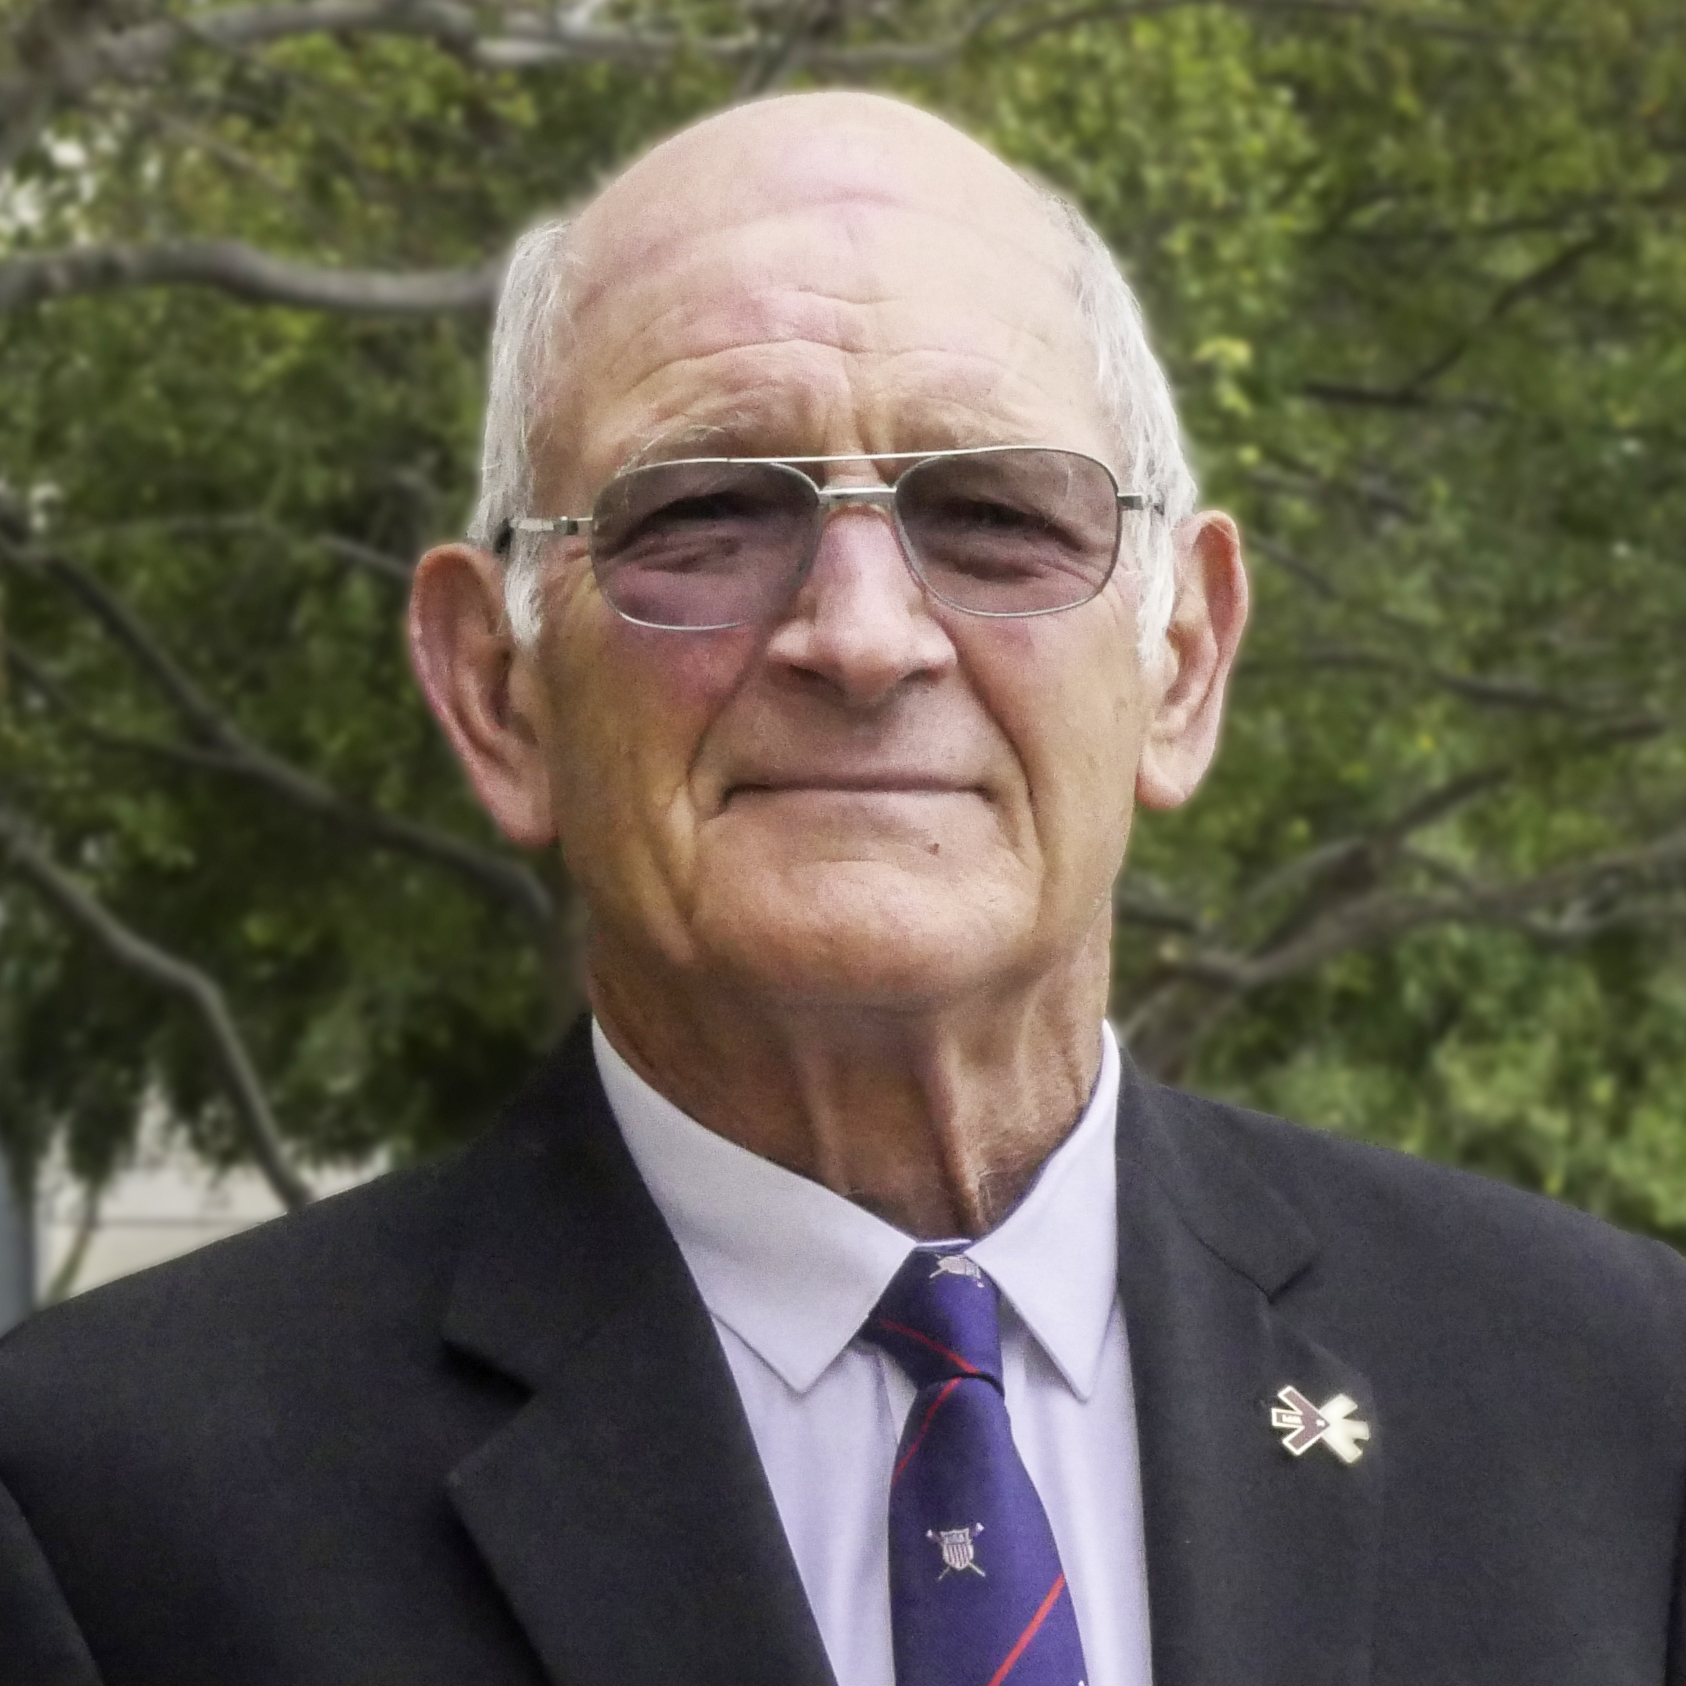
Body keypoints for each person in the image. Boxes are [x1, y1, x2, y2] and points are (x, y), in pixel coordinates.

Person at [1, 90, 1683, 1686]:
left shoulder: (1613, 1396)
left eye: (994, 516)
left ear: (1180, 660)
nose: (863, 637)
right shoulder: (98, 1510)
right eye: (707, 514)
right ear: (496, 689)